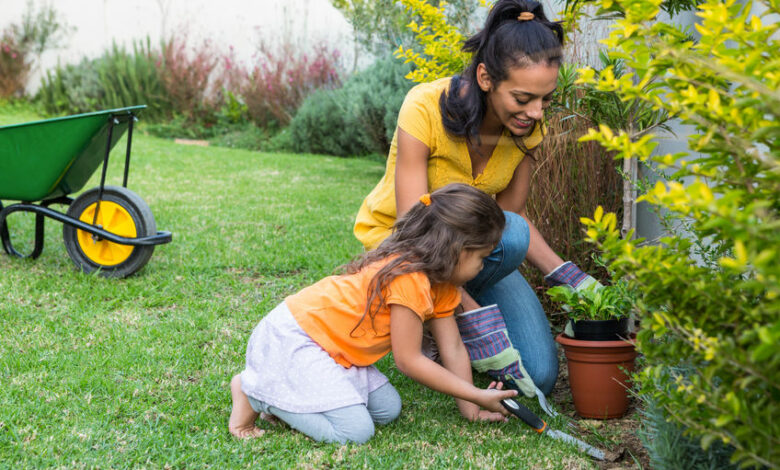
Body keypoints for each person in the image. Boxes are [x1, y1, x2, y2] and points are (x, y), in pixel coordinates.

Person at [354, 0, 600, 396]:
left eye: (546, 99)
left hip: (472, 253)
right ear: (485, 77)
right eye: (522, 99)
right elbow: (412, 232)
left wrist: (575, 282)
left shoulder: (526, 129)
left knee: (537, 376)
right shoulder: (424, 109)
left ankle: (444, 322)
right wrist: (468, 311)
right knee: (511, 237)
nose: (536, 113)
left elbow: (511, 214)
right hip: (405, 250)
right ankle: (432, 321)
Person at [229, 184, 519, 444]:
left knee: (387, 410)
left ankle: (288, 394)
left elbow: (453, 348)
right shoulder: (410, 279)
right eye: (482, 257)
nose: (483, 266)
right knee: (355, 432)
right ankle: (254, 392)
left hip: (334, 351)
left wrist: (472, 408)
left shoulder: (444, 284)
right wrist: (478, 393)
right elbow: (409, 361)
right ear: (456, 250)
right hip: (297, 339)